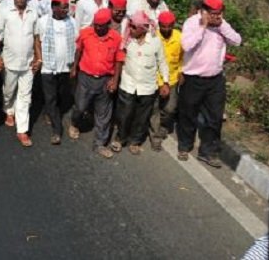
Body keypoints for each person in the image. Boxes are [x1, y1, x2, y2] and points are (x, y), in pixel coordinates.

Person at [177, 0, 241, 167]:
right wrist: (203, 27)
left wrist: (221, 26)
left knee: (215, 118)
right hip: (193, 78)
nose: (216, 17)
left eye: (219, 14)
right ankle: (184, 145)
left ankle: (208, 152)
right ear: (204, 12)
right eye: (213, 14)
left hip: (215, 79)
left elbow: (237, 41)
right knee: (188, 114)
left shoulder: (222, 24)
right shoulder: (192, 23)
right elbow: (186, 45)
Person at [111, 11, 170, 155]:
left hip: (147, 87)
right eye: (130, 26)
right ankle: (120, 138)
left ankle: (135, 141)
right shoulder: (127, 40)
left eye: (133, 27)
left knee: (142, 117)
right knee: (124, 114)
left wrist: (165, 82)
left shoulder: (155, 42)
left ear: (142, 29)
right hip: (128, 83)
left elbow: (162, 62)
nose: (130, 29)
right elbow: (118, 58)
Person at [68, 8, 122, 159]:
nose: (98, 28)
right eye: (96, 25)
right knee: (80, 106)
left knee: (103, 114)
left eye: (101, 25)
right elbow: (79, 50)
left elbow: (119, 60)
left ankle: (100, 143)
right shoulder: (86, 33)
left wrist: (115, 80)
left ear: (108, 24)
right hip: (85, 77)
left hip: (105, 80)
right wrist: (74, 67)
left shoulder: (116, 38)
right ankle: (74, 122)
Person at [0, 0, 40, 147]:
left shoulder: (33, 14)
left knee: (25, 97)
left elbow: (36, 38)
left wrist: (38, 59)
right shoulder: (5, 12)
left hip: (27, 64)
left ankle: (22, 130)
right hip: (9, 61)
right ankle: (8, 109)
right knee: (8, 91)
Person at [34, 0, 77, 145]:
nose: (66, 10)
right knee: (51, 98)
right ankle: (57, 130)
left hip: (65, 68)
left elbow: (76, 46)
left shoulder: (72, 22)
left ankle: (50, 113)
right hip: (48, 68)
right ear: (54, 8)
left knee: (61, 95)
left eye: (67, 7)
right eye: (63, 7)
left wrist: (74, 67)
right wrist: (39, 59)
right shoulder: (43, 22)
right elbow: (37, 42)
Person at [149, 10, 183, 151]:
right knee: (154, 109)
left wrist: (182, 72)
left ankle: (162, 126)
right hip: (154, 79)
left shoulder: (180, 37)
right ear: (159, 25)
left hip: (173, 78)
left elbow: (183, 57)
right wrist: (161, 83)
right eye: (163, 26)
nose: (167, 29)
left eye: (169, 26)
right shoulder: (153, 36)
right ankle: (155, 136)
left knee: (170, 108)